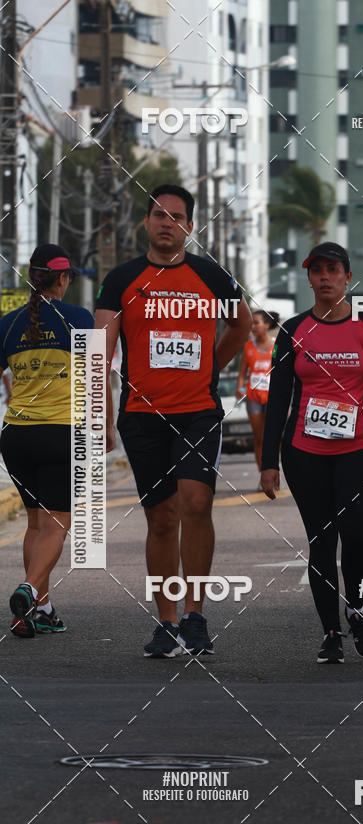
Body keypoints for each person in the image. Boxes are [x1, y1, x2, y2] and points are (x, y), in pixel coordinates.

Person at [94, 184, 251, 658]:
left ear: (190, 225)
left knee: (196, 503)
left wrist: (212, 369)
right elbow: (100, 352)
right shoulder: (121, 279)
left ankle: (195, 615)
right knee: (161, 519)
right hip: (142, 416)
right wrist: (99, 416)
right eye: (160, 214)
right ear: (147, 222)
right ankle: (166, 623)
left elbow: (241, 325)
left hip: (198, 412)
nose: (168, 222)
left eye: (178, 216)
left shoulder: (212, 276)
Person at [260, 242, 363, 664]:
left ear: (347, 276)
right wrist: (268, 462)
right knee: (321, 541)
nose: (324, 277)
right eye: (316, 270)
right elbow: (278, 397)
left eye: (332, 269)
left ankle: (356, 611)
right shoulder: (293, 329)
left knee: (356, 536)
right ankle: (329, 633)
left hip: (358, 449)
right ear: (308, 278)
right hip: (304, 452)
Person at [0, 243, 93, 638]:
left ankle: (39, 610)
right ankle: (28, 589)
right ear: (63, 278)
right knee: (56, 526)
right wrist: (101, 429)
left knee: (36, 525)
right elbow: (94, 377)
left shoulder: (6, 323)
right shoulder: (79, 318)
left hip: (16, 437)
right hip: (61, 433)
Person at [236, 310, 279, 474]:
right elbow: (242, 373)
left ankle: (274, 469)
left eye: (256, 323)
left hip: (272, 397)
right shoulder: (248, 347)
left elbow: (280, 369)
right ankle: (263, 474)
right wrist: (239, 388)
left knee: (272, 437)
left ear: (267, 325)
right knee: (259, 438)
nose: (252, 326)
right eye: (251, 323)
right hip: (253, 397)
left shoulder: (276, 346)